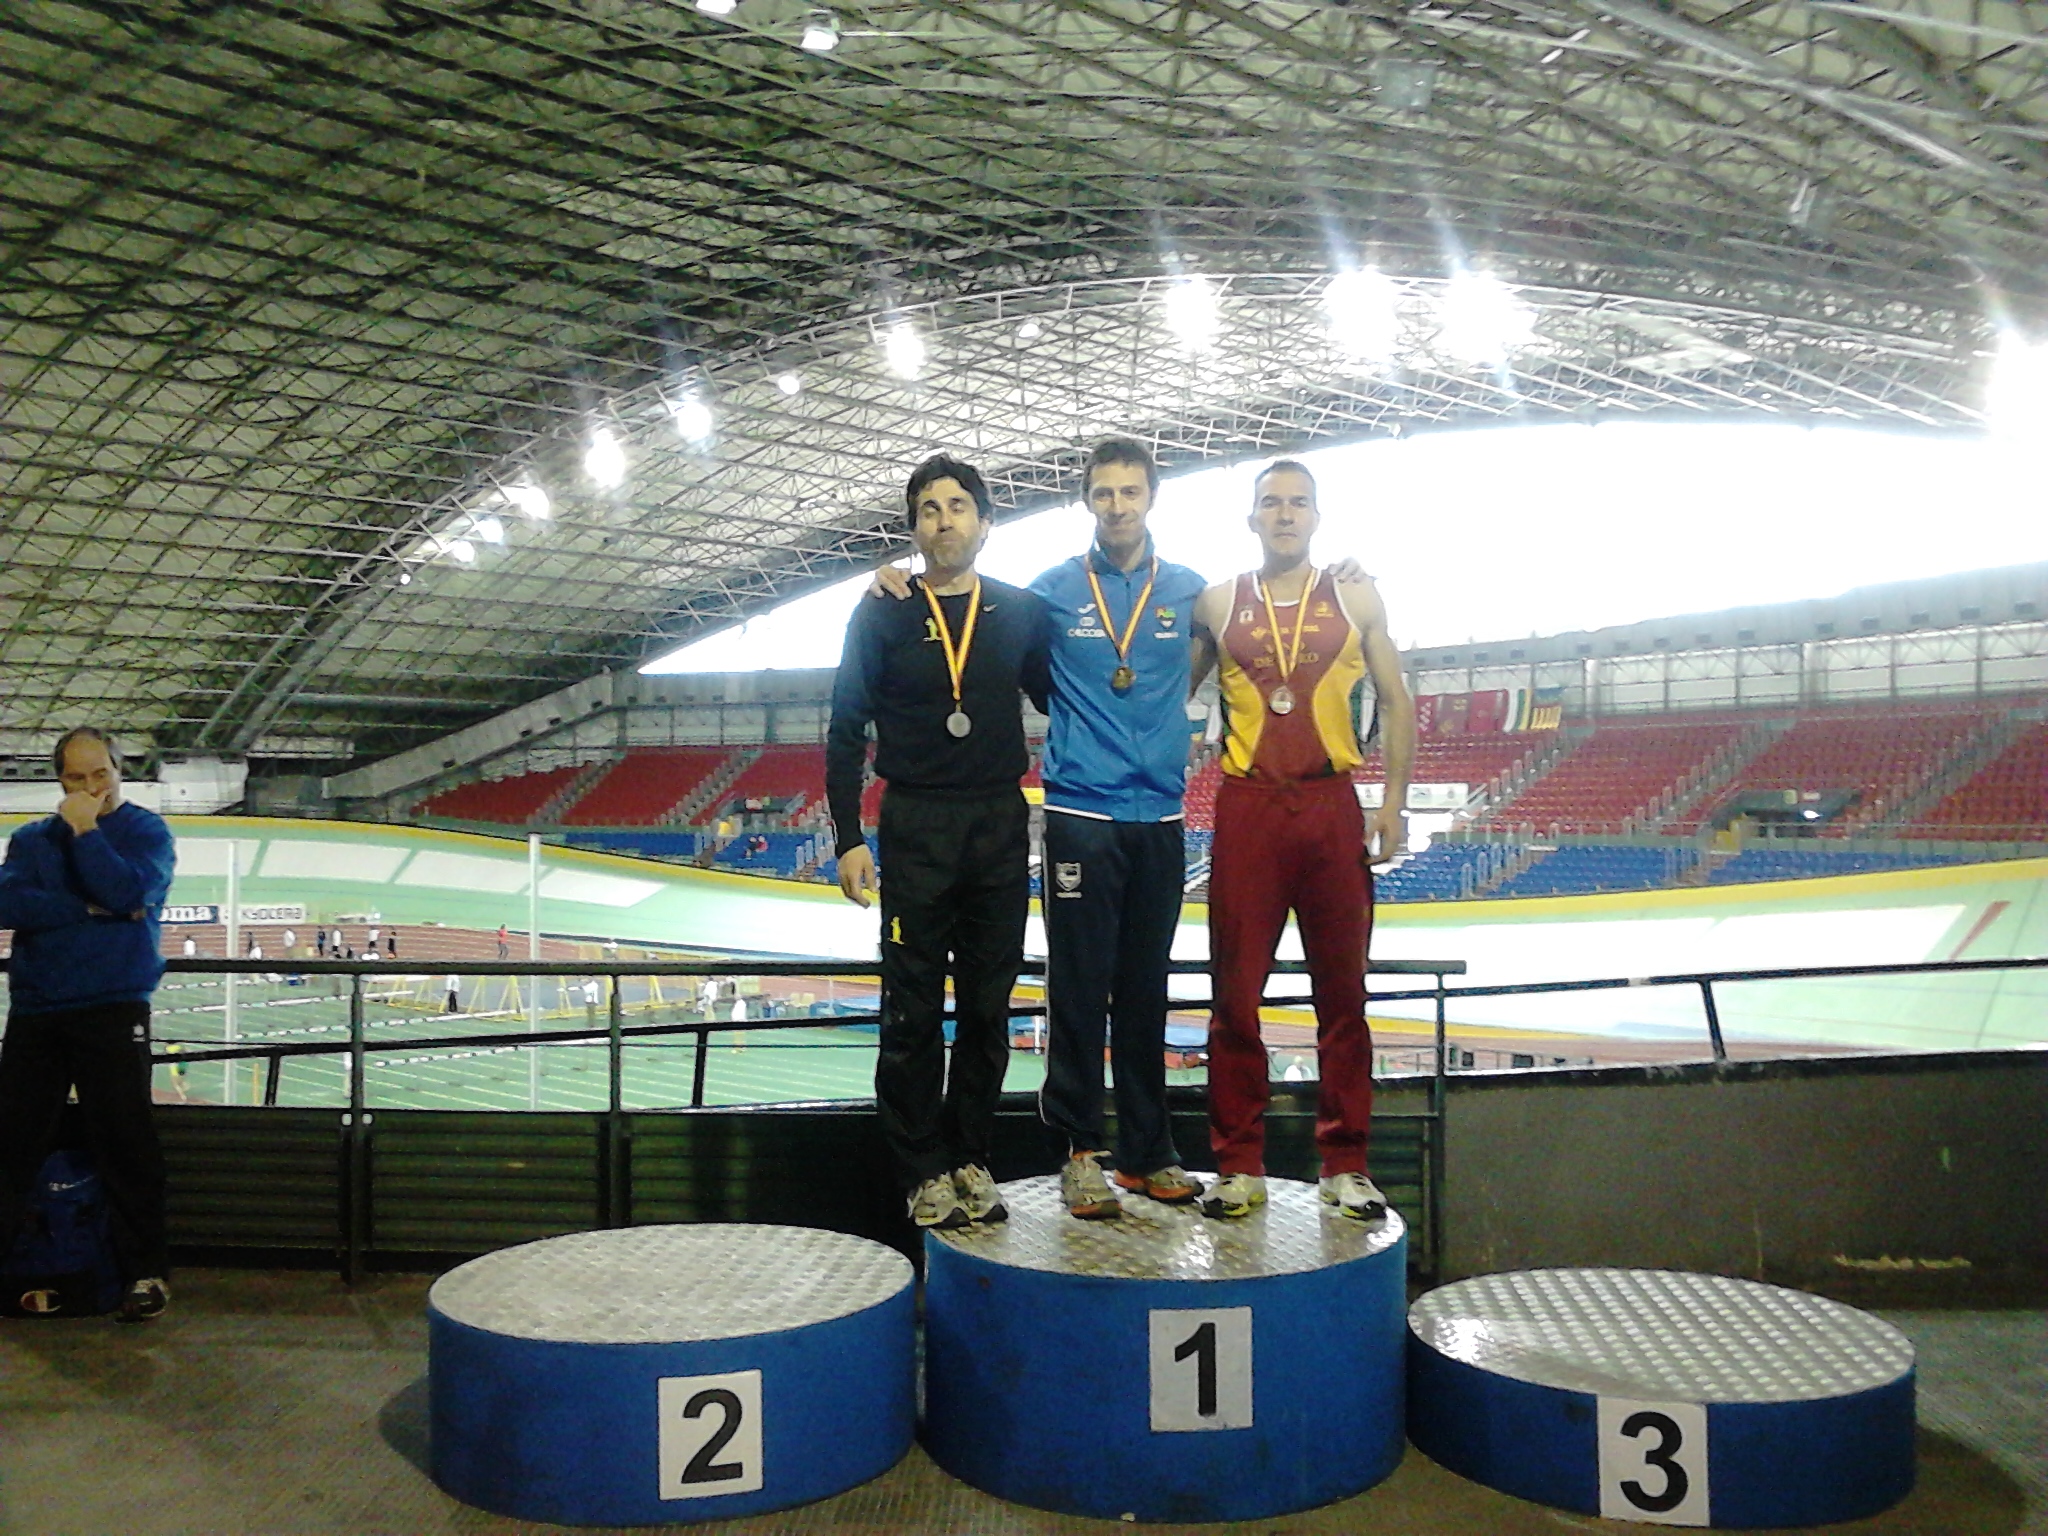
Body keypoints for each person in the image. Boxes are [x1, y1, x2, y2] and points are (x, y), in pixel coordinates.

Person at [872, 440, 1375, 1221]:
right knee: (1078, 988)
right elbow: (982, 620)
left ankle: (1148, 1153)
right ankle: (1079, 1151)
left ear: (1150, 498)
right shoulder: (1047, 594)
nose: (1117, 505)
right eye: (1103, 493)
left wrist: (1341, 576)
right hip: (1080, 813)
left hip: (1161, 817)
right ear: (1088, 502)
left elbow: (1268, 615)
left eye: (1130, 491)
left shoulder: (1191, 594)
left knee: (1146, 989)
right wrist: (901, 578)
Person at [1187, 459, 1415, 1223]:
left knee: (1343, 994)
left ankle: (1346, 1163)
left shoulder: (1355, 593)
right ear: (1251, 519)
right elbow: (1159, 692)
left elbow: (1397, 699)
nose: (1284, 515)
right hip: (1248, 807)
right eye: (1270, 504)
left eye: (1298, 504)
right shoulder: (1218, 603)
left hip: (1330, 804)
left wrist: (1393, 803)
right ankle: (1238, 1164)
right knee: (1234, 996)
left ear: (1316, 517)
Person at [827, 453, 1050, 1231]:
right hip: (915, 825)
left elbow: (1071, 693)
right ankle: (922, 1168)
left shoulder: (1020, 612)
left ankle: (971, 1158)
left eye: (958, 505)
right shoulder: (882, 610)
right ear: (914, 528)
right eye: (928, 508)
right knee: (912, 1011)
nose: (943, 518)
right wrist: (848, 835)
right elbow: (845, 725)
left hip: (997, 823)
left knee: (989, 1009)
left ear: (986, 523)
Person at [0, 727, 177, 1321]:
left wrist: (85, 831)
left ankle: (145, 1274)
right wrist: (89, 908)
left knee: (126, 1141)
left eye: (99, 773)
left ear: (117, 770)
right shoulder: (29, 840)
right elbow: (9, 906)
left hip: (112, 1006)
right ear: (59, 780)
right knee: (11, 1144)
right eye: (76, 778)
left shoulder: (147, 832)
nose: (90, 787)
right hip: (38, 1010)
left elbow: (126, 888)